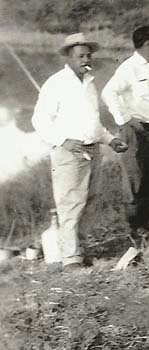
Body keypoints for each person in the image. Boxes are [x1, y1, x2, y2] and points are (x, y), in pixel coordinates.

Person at [32, 32, 128, 270]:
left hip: (92, 150)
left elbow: (93, 124)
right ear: (69, 57)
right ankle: (70, 258)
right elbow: (39, 120)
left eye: (88, 55)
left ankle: (80, 250)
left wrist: (111, 139)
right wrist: (63, 140)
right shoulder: (56, 83)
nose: (86, 60)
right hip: (69, 153)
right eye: (80, 56)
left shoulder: (89, 83)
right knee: (70, 203)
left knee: (90, 201)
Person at [101, 26, 149, 240]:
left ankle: (144, 223)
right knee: (134, 178)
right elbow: (108, 92)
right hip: (137, 129)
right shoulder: (129, 68)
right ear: (147, 43)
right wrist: (125, 119)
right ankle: (134, 227)